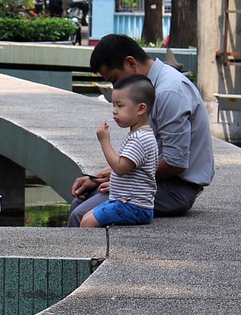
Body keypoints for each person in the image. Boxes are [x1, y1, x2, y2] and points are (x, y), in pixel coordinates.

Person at [68, 34, 215, 226]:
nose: (116, 87)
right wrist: (96, 178)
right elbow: (137, 160)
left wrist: (120, 181)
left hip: (175, 188)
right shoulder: (154, 87)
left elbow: (175, 162)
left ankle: (86, 256)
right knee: (81, 199)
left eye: (114, 79)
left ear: (131, 63)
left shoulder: (168, 92)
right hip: (154, 181)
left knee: (81, 214)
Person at [79, 74, 158, 229]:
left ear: (141, 108)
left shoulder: (140, 139)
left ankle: (92, 251)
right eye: (113, 105)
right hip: (124, 202)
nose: (114, 111)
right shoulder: (139, 135)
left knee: (87, 222)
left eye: (120, 106)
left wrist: (104, 141)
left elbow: (121, 168)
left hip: (133, 206)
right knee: (86, 217)